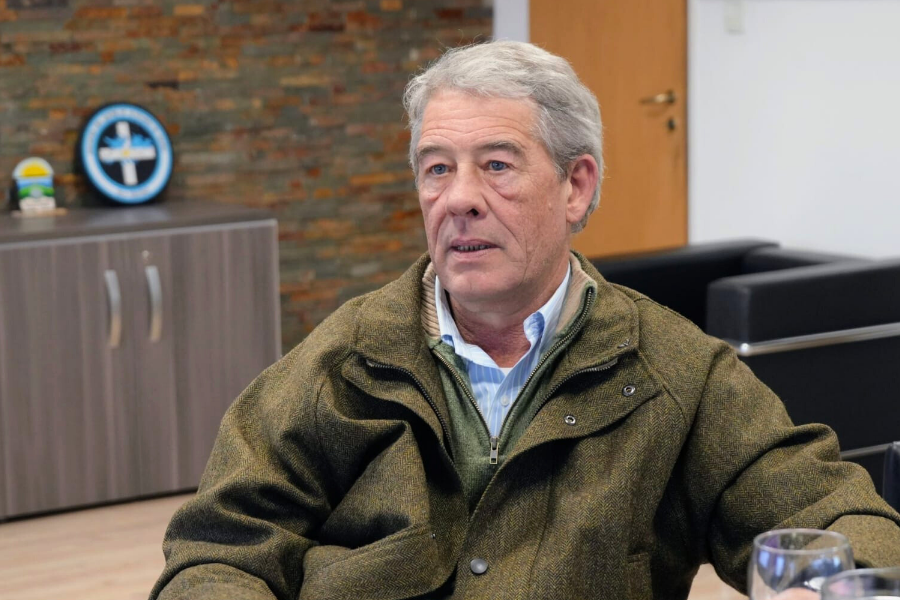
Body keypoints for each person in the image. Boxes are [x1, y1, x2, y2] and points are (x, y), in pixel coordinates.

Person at [150, 41, 900, 600]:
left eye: (497, 165)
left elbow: (834, 514)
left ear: (577, 187)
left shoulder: (677, 375)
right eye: (437, 168)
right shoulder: (343, 361)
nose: (458, 199)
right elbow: (219, 549)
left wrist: (833, 587)